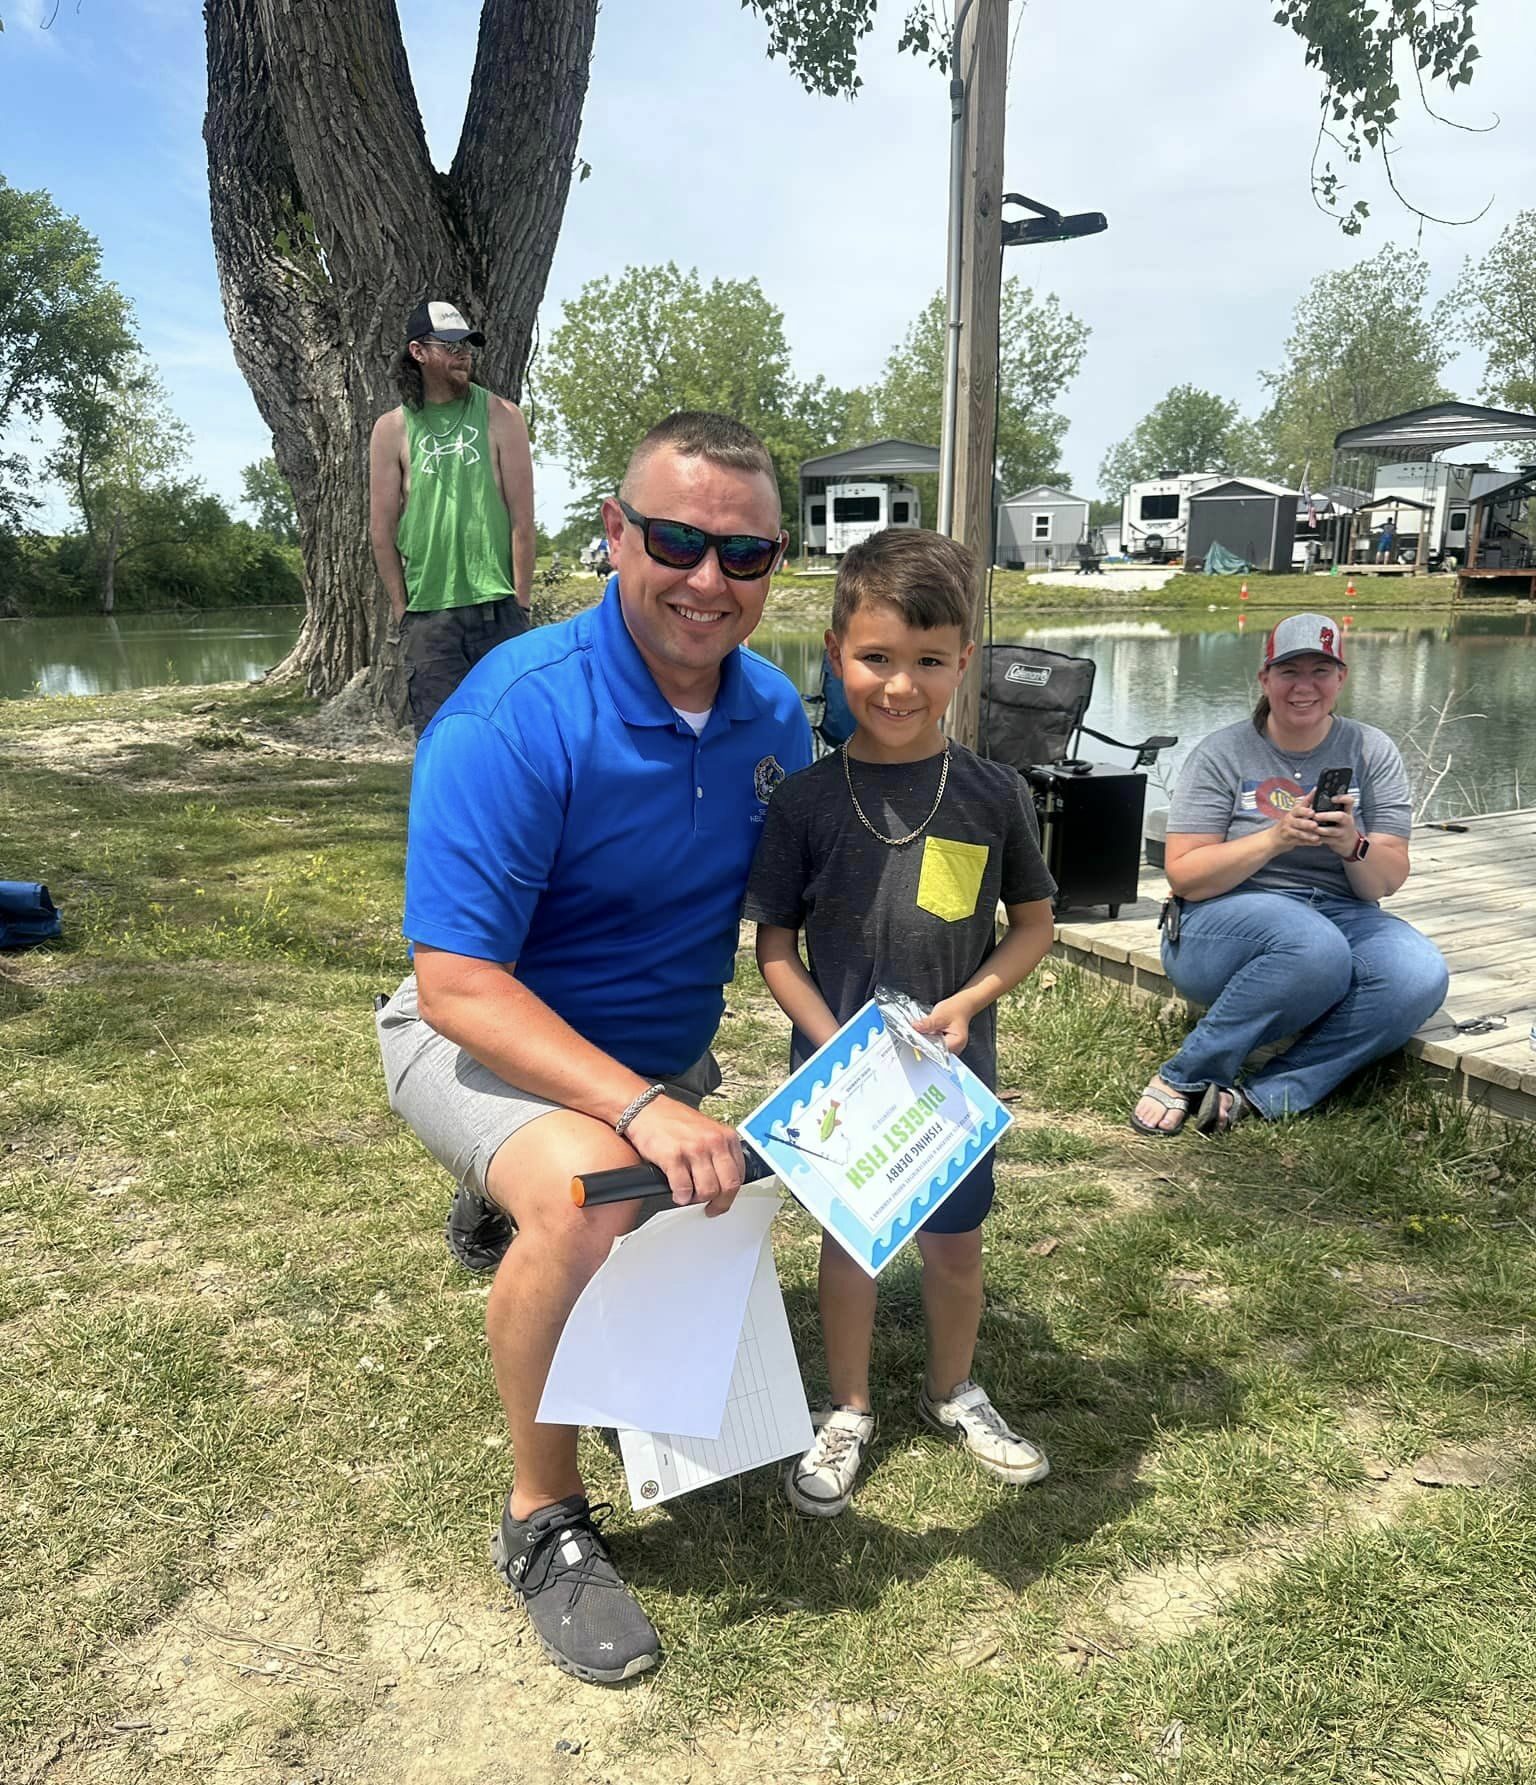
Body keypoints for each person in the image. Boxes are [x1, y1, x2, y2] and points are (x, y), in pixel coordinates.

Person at [375, 412, 809, 1683]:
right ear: (612, 535)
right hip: (475, 1037)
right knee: (582, 1200)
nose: (708, 581)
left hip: (646, 1061)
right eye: (677, 540)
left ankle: (497, 1190)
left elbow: (800, 910)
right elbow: (456, 982)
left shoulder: (776, 714)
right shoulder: (513, 713)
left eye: (746, 555)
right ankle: (540, 1519)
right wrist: (640, 1110)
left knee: (639, 1185)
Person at [743, 528, 1058, 1519]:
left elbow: (1034, 925)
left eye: (929, 662)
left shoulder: (993, 793)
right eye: (877, 659)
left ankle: (954, 1389)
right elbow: (775, 949)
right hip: (842, 1089)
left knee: (956, 1248)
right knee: (850, 1250)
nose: (899, 685)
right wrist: (830, 1037)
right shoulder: (802, 803)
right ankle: (848, 1407)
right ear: (836, 653)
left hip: (950, 1088)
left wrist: (967, 1006)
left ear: (964, 662)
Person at [1130, 613, 1448, 1138]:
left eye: (1321, 670)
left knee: (1418, 971)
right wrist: (1275, 838)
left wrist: (1352, 844)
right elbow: (1186, 877)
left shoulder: (1372, 750)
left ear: (1341, 678)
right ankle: (1189, 1073)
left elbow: (1384, 882)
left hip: (1342, 911)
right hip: (1222, 918)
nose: (1305, 686)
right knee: (1314, 945)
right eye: (1288, 671)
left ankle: (1266, 1096)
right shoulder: (1223, 752)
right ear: (1265, 679)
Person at [369, 300, 537, 735]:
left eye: (467, 344)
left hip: (498, 609)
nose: (463, 353)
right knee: (442, 740)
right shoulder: (392, 429)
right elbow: (381, 531)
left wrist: (520, 603)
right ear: (418, 352)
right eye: (449, 345)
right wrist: (403, 610)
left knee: (512, 736)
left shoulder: (502, 415)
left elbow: (523, 519)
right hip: (428, 617)